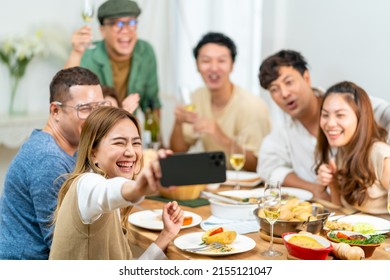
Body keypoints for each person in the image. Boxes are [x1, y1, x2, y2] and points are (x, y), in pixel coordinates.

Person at [0, 67, 107, 259]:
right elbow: (64, 246)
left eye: (100, 107)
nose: (95, 118)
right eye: (85, 109)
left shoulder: (69, 147)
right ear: (55, 110)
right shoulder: (49, 160)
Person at [49, 106, 184, 260]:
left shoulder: (110, 198)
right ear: (93, 153)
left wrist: (167, 234)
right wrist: (138, 188)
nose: (131, 152)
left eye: (136, 143)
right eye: (119, 143)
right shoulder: (87, 184)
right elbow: (106, 191)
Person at [257, 50, 390, 200]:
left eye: (289, 82)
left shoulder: (350, 101)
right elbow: (267, 168)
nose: (284, 93)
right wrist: (314, 188)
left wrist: (379, 157)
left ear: (306, 78)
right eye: (274, 89)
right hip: (335, 210)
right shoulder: (284, 130)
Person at [169, 32, 271, 172]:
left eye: (221, 61)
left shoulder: (252, 106)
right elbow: (178, 151)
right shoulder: (197, 97)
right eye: (206, 61)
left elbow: (258, 165)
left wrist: (220, 136)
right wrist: (178, 123)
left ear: (232, 66)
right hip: (214, 182)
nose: (214, 68)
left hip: (247, 187)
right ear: (197, 66)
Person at [64, 0, 158, 116]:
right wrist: (76, 52)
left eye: (131, 22)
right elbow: (66, 96)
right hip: (97, 131)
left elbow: (152, 103)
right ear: (102, 30)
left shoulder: (146, 51)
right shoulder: (88, 55)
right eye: (117, 24)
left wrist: (156, 133)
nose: (125, 30)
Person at [315, 81, 390, 214]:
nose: (330, 123)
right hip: (352, 231)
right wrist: (332, 183)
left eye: (340, 115)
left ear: (360, 118)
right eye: (325, 115)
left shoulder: (380, 155)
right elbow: (341, 208)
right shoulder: (342, 152)